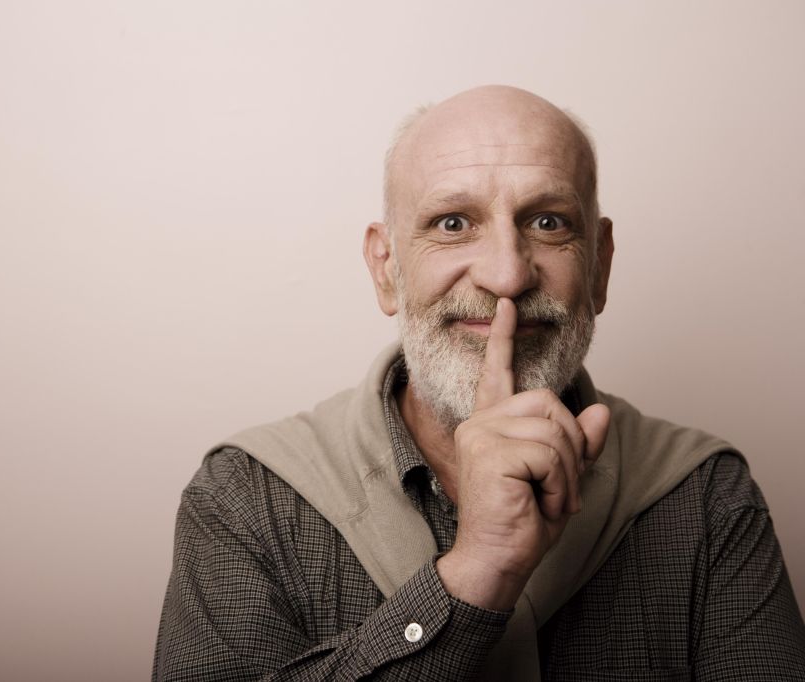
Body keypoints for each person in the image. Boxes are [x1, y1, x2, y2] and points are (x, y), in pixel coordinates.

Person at [153, 85, 805, 680]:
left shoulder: (708, 498)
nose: (506, 276)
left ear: (600, 266)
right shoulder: (245, 498)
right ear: (386, 269)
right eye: (452, 223)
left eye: (548, 222)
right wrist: (475, 573)